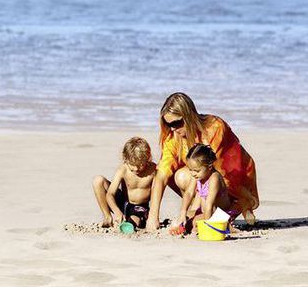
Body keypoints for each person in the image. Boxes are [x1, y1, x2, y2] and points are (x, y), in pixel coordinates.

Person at [145, 92, 259, 233]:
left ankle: (236, 205)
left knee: (192, 181)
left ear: (189, 116)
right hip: (203, 184)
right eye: (169, 125)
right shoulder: (173, 136)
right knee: (179, 176)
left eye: (177, 123)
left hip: (231, 180)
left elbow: (212, 173)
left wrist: (193, 211)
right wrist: (153, 217)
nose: (173, 128)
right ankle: (202, 213)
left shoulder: (214, 128)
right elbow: (161, 174)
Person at [91, 136, 156, 229]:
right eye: (133, 165)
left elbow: (156, 194)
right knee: (98, 180)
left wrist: (153, 215)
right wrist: (117, 212)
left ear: (147, 158)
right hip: (124, 202)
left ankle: (130, 222)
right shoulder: (123, 170)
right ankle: (107, 217)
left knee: (132, 222)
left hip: (140, 208)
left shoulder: (153, 170)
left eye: (141, 164)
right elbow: (110, 194)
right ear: (125, 159)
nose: (136, 168)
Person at [171, 144, 236, 235]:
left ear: (209, 167)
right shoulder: (197, 176)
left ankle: (227, 225)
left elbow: (209, 205)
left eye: (197, 171)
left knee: (192, 224)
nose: (193, 173)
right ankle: (194, 224)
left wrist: (207, 228)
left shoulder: (214, 178)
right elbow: (189, 193)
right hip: (204, 210)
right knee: (180, 219)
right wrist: (183, 212)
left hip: (218, 213)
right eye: (190, 169)